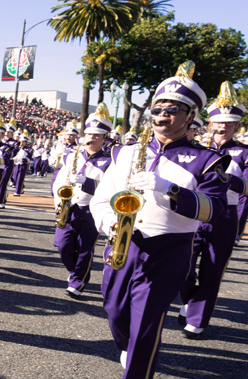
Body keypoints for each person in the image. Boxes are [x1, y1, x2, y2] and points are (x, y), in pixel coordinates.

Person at [90, 62, 227, 377]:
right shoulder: (124, 153)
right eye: (157, 109)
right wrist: (109, 222)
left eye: (173, 110)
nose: (162, 115)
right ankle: (129, 349)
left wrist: (170, 190)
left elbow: (215, 210)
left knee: (146, 326)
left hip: (168, 250)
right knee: (114, 311)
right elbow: (100, 198)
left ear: (190, 116)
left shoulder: (207, 161)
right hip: (122, 244)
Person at [179, 82, 245, 338]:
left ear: (236, 126)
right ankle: (189, 299)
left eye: (229, 124)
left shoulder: (244, 153)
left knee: (213, 268)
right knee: (182, 262)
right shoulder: (198, 151)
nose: (222, 127)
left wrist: (224, 178)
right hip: (195, 212)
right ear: (210, 124)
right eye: (219, 123)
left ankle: (197, 319)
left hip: (225, 215)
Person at [51, 104, 113, 299]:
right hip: (70, 208)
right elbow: (59, 182)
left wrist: (87, 183)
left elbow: (109, 190)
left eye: (96, 135)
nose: (91, 138)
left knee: (86, 248)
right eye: (88, 134)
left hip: (92, 210)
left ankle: (78, 281)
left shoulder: (110, 161)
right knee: (63, 246)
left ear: (104, 138)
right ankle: (75, 271)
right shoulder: (72, 157)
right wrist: (59, 201)